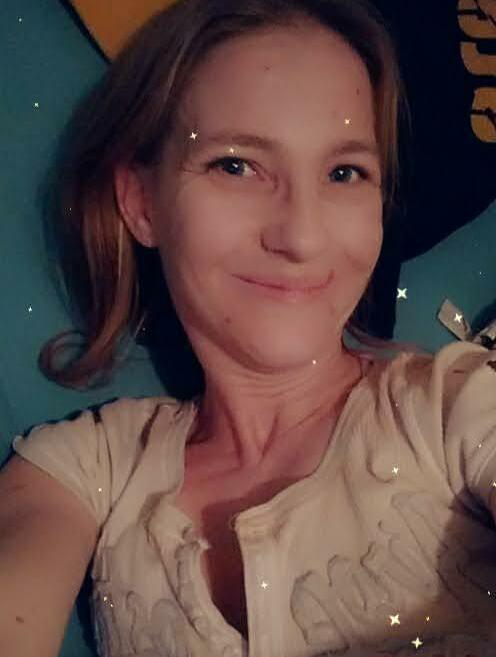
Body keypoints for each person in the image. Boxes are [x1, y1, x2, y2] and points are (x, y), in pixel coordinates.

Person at [1, 0, 495, 656]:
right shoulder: (88, 467)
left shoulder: (458, 409)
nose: (301, 236)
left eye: (345, 172)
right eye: (236, 165)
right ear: (141, 202)